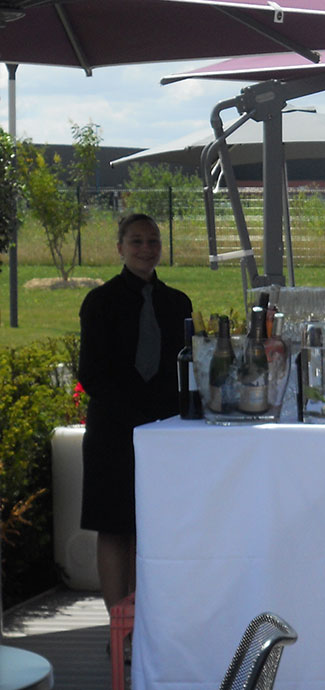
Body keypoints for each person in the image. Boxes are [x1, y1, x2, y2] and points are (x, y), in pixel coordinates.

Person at [78, 213, 193, 612]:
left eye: (153, 241)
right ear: (120, 248)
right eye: (137, 241)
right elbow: (91, 372)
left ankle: (148, 623)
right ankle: (116, 625)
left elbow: (186, 367)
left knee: (154, 528)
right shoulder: (100, 302)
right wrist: (133, 416)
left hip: (163, 434)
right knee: (114, 527)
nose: (146, 249)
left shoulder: (178, 303)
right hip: (112, 430)